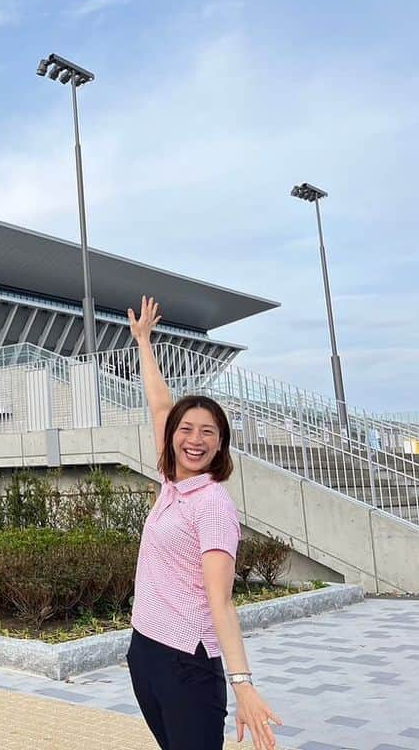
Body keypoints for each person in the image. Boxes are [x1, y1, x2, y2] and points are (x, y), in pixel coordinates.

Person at [126, 296, 283, 750]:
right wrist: (144, 342)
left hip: (188, 663)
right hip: (147, 650)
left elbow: (222, 603)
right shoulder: (171, 481)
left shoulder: (212, 504)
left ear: (220, 446)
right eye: (186, 430)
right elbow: (160, 407)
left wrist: (242, 683)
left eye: (207, 433)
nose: (194, 440)